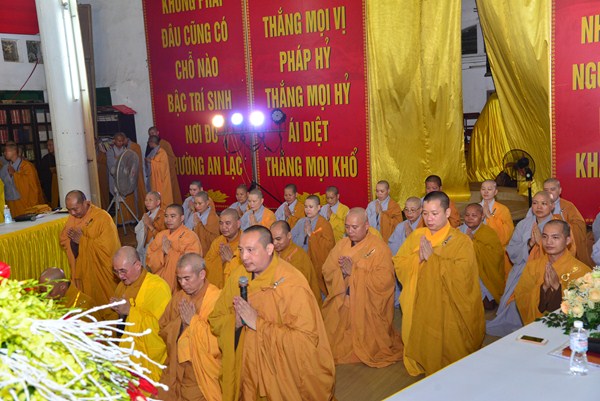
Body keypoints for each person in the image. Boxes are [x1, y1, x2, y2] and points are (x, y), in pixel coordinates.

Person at [209, 226, 336, 401]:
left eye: (251, 250)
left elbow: (306, 341)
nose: (244, 257)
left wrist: (257, 323)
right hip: (246, 369)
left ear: (269, 249)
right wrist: (235, 322)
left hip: (279, 374)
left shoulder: (292, 283)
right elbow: (215, 318)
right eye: (241, 250)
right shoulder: (238, 276)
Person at [394, 191, 484, 376]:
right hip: (420, 300)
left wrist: (433, 259)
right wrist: (418, 259)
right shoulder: (417, 235)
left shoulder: (461, 241)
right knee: (424, 336)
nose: (429, 219)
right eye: (425, 213)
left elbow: (463, 276)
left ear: (447, 213)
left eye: (434, 213)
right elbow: (399, 262)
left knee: (448, 345)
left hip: (447, 304)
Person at [322, 208, 403, 367]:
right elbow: (327, 269)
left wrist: (354, 272)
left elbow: (385, 281)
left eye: (354, 227)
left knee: (362, 345)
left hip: (365, 307)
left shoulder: (379, 248)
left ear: (366, 226)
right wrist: (342, 273)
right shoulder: (342, 244)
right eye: (347, 227)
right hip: (343, 302)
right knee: (329, 343)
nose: (350, 231)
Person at [487, 191, 570, 337]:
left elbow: (568, 251)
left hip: (548, 271)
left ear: (552, 206)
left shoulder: (559, 225)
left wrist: (541, 243)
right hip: (522, 269)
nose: (539, 207)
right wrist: (530, 244)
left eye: (544, 203)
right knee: (515, 301)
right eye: (535, 203)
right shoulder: (524, 224)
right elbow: (512, 249)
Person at [158, 253, 222, 401]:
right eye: (179, 279)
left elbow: (218, 342)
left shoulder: (216, 299)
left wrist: (192, 322)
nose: (183, 283)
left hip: (198, 372)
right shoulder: (179, 297)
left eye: (187, 278)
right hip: (175, 366)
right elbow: (163, 327)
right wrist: (181, 324)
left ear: (202, 274)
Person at [110, 246, 171, 382]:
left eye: (123, 271)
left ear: (137, 265)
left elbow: (161, 329)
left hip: (149, 360)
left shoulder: (158, 287)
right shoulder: (122, 286)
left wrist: (130, 311)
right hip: (127, 354)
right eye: (116, 271)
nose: (120, 276)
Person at [515, 220, 591, 326]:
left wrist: (557, 287)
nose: (548, 242)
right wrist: (543, 288)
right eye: (545, 237)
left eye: (555, 237)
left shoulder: (582, 271)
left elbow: (584, 307)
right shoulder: (532, 266)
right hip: (536, 327)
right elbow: (521, 297)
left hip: (567, 329)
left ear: (568, 240)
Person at [59, 190, 121, 306]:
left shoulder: (102, 218)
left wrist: (82, 241)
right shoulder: (73, 218)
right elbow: (64, 239)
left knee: (106, 304)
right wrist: (74, 242)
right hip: (83, 271)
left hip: (101, 272)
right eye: (69, 210)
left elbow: (108, 249)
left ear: (85, 203)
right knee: (87, 303)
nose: (72, 213)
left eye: (75, 209)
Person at [459, 203, 506, 310]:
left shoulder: (489, 233)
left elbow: (496, 255)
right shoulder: (459, 231)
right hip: (464, 272)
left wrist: (472, 243)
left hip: (484, 275)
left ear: (482, 216)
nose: (470, 218)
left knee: (488, 305)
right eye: (467, 215)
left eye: (474, 215)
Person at [146, 204, 201, 293]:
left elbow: (192, 263)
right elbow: (149, 259)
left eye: (172, 216)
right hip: (159, 284)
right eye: (166, 216)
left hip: (181, 286)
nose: (168, 220)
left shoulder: (190, 237)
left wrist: (170, 252)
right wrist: (162, 252)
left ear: (182, 218)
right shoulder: (161, 235)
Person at [290, 195, 335, 296]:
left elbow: (329, 246)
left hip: (317, 266)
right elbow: (291, 240)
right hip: (301, 263)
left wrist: (311, 234)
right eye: (306, 207)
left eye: (311, 207)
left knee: (318, 294)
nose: (308, 210)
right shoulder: (301, 222)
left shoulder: (324, 224)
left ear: (319, 207)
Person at [542, 178, 592, 266]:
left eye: (552, 189)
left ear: (560, 190)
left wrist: (561, 225)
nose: (549, 193)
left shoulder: (567, 206)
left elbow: (579, 225)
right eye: (546, 190)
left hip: (564, 246)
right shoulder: (538, 206)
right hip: (544, 245)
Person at [270, 220, 321, 305]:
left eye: (278, 239)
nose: (275, 243)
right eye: (272, 239)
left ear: (289, 235)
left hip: (300, 302)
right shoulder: (272, 253)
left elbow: (296, 286)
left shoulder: (299, 256)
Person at [0, 141, 44, 216]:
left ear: (14, 151)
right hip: (11, 203)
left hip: (25, 203)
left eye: (6, 151)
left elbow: (32, 186)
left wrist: (15, 174)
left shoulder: (27, 166)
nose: (4, 153)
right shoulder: (5, 168)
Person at [204, 208, 242, 289]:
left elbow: (246, 271)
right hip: (215, 289)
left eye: (227, 223)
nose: (223, 227)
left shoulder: (245, 243)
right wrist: (221, 261)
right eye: (221, 223)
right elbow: (207, 265)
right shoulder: (218, 242)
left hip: (234, 289)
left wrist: (231, 260)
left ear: (238, 224)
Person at [107, 132, 139, 223]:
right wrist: (119, 162)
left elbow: (129, 163)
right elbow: (112, 167)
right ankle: (120, 220)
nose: (120, 143)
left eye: (122, 141)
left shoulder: (126, 151)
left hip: (125, 179)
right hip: (115, 179)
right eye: (118, 141)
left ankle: (129, 219)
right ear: (114, 141)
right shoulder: (110, 151)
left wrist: (118, 159)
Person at [147, 126, 182, 204]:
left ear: (157, 133)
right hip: (156, 175)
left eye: (153, 133)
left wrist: (158, 164)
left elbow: (172, 158)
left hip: (167, 172)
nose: (151, 135)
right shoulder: (151, 146)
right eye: (150, 134)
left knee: (169, 193)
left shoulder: (164, 144)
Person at [134, 191, 165, 265]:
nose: (147, 202)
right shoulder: (146, 215)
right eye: (146, 200)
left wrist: (149, 225)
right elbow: (137, 230)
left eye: (150, 200)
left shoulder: (163, 215)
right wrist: (145, 227)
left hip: (156, 249)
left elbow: (163, 236)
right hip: (146, 246)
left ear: (158, 202)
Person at [146, 134, 174, 207]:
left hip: (162, 181)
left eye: (149, 142)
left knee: (163, 199)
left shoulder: (162, 153)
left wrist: (151, 162)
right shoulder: (154, 152)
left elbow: (163, 167)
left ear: (152, 142)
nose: (148, 144)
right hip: (154, 180)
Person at [125, 136, 148, 219]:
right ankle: (134, 216)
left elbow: (136, 160)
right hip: (128, 176)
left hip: (136, 174)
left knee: (139, 195)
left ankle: (142, 214)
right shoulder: (125, 148)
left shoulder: (135, 147)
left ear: (126, 139)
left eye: (122, 140)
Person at [192, 191, 220, 256]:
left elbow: (214, 239)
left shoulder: (213, 218)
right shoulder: (195, 215)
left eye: (200, 203)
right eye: (195, 203)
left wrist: (198, 225)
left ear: (207, 203)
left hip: (208, 252)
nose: (197, 206)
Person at [37, 139, 58, 208]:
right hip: (49, 186)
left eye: (50, 145)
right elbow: (41, 173)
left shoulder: (61, 156)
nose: (48, 147)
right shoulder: (45, 159)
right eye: (47, 146)